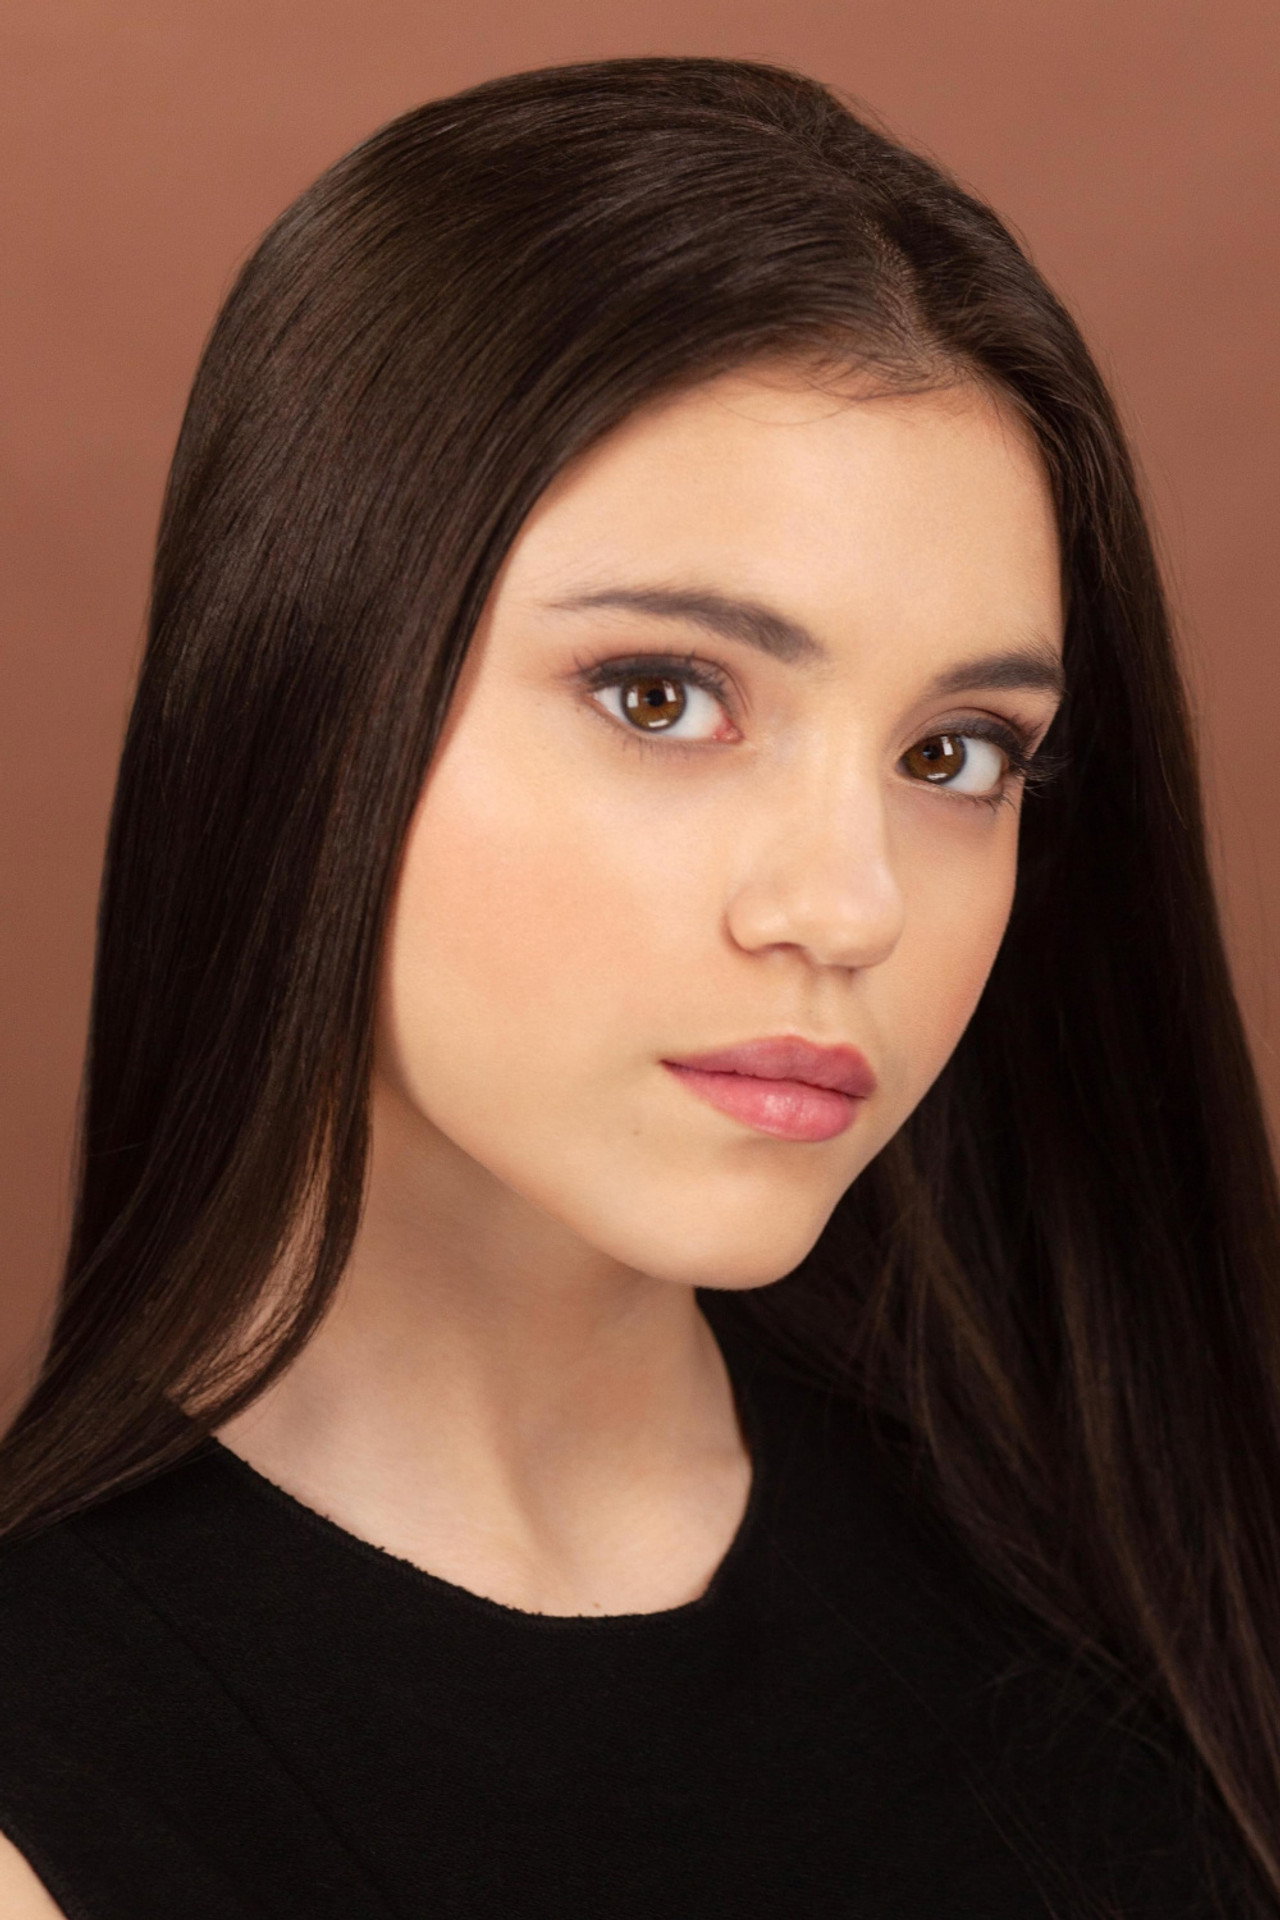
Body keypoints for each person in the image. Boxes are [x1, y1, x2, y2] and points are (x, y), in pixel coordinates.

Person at [0, 53, 1276, 1919]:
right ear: (307, 698)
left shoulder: (1146, 1540)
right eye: (663, 696)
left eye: (957, 755)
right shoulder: (60, 1786)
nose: (850, 907)